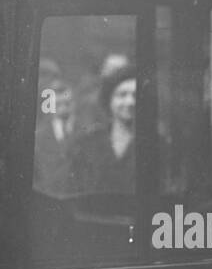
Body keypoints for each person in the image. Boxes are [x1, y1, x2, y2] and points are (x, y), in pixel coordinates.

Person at [69, 67, 136, 195]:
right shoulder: (87, 142)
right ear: (110, 100)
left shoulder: (156, 143)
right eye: (122, 95)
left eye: (136, 95)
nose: (130, 102)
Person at [33, 78, 77, 196]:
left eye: (67, 103)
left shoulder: (86, 132)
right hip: (48, 196)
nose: (63, 108)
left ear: (74, 103)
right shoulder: (39, 136)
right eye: (57, 104)